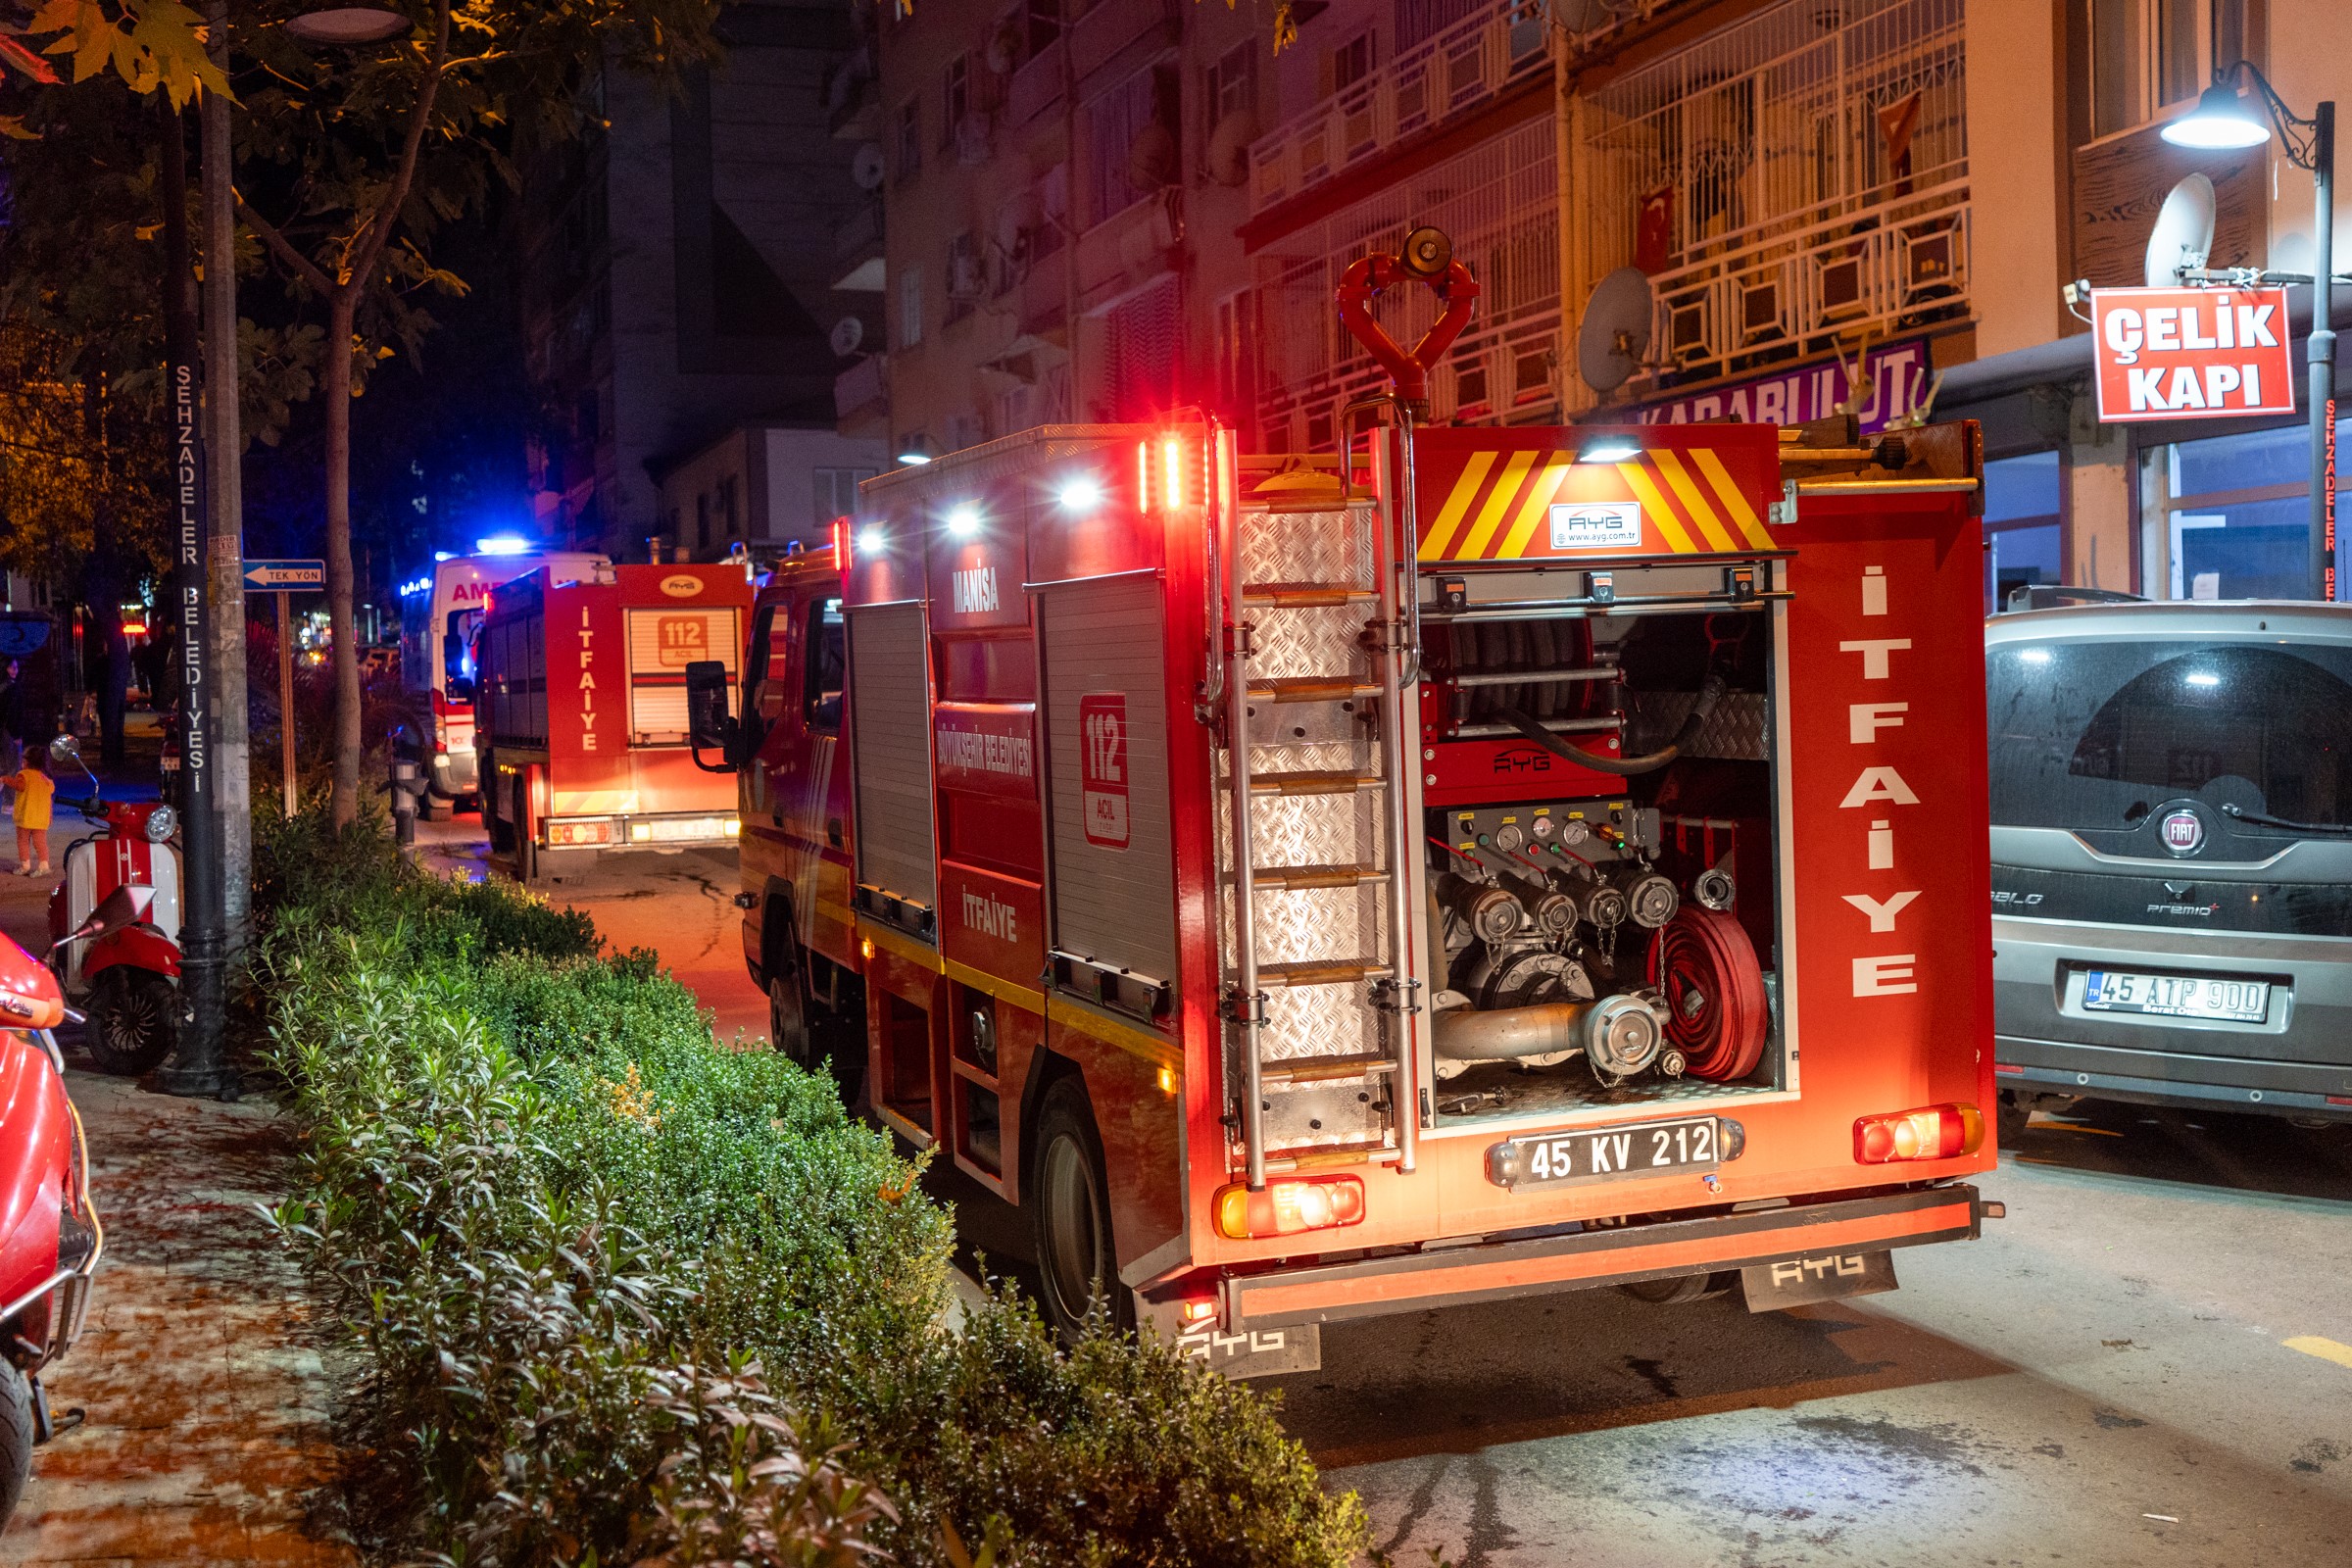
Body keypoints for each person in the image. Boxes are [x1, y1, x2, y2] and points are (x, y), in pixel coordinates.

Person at [4, 749, 51, 877]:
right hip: (41, 818)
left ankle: (25, 866)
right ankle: (44, 865)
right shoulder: (45, 778)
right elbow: (49, 798)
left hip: (26, 816)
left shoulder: (24, 775)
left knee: (23, 841)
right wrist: (49, 816)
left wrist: (5, 779)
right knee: (40, 842)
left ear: (26, 762)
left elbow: (19, 786)